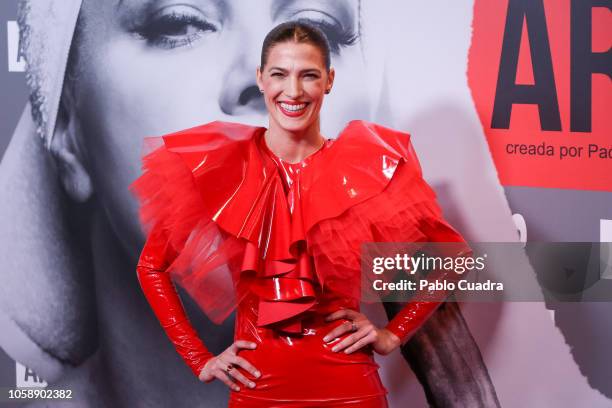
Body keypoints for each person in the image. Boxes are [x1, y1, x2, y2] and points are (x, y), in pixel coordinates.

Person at [130, 21, 474, 407]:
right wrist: (199, 358)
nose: (292, 91)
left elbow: (454, 255)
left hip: (350, 389)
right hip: (257, 390)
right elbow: (151, 267)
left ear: (328, 80)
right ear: (261, 79)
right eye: (279, 74)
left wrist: (393, 334)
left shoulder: (367, 165)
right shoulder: (219, 166)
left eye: (308, 75)